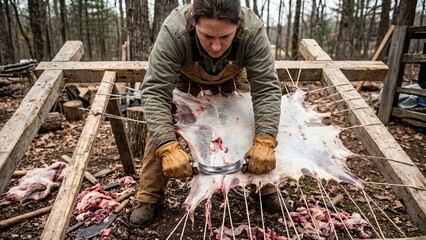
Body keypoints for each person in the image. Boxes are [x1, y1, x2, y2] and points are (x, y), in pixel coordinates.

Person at [129, 0, 283, 228]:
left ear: (238, 25)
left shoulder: (252, 29)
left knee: (247, 119)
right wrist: (167, 147)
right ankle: (149, 197)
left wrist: (266, 140)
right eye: (207, 36)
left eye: (225, 37)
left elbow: (267, 87)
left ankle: (264, 187)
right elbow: (155, 91)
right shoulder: (175, 30)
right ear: (193, 20)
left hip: (233, 76)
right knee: (166, 122)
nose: (216, 47)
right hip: (184, 77)